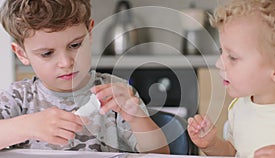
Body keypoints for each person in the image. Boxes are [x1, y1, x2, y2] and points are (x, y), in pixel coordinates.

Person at [0, 0, 169, 154]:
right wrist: (27, 126)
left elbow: (161, 154)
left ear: (89, 31)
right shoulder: (19, 98)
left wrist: (137, 118)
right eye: (47, 53)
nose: (66, 62)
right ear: (22, 54)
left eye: (75, 45)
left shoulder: (114, 93)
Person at [187, 0, 275, 157]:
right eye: (222, 52)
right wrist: (212, 145)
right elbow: (234, 153)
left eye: (232, 57)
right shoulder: (239, 107)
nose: (219, 64)